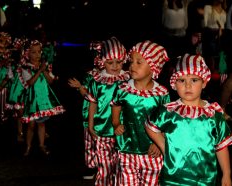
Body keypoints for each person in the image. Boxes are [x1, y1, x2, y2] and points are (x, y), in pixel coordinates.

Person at [145, 54, 232, 186]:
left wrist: (226, 174)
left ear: (204, 82)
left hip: (204, 179)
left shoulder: (213, 115)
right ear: (174, 84)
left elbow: (221, 147)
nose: (188, 86)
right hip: (173, 179)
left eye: (194, 80)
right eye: (181, 81)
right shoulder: (169, 111)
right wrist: (164, 146)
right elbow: (150, 126)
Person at [111, 40, 170, 185]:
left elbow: (166, 120)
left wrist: (159, 141)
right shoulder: (123, 89)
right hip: (127, 148)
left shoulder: (161, 94)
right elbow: (116, 105)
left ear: (153, 67)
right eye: (131, 61)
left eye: (139, 62)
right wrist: (116, 122)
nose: (132, 66)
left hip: (151, 151)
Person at [86, 37, 130, 185]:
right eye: (110, 62)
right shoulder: (97, 81)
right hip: (102, 130)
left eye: (119, 62)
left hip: (122, 131)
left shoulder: (127, 79)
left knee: (120, 168)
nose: (115, 66)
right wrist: (90, 125)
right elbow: (92, 103)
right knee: (104, 167)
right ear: (102, 61)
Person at [19, 40, 65, 156]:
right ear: (27, 54)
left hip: (43, 101)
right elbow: (30, 82)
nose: (37, 55)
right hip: (32, 102)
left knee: (42, 124)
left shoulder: (45, 67)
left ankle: (41, 145)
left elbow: (50, 81)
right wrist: (39, 70)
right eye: (34, 52)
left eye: (39, 52)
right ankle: (28, 146)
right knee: (31, 125)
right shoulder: (26, 68)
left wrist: (44, 70)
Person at [67, 42, 102, 179]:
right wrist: (80, 87)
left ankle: (105, 166)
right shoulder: (90, 75)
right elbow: (89, 95)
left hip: (108, 115)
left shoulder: (117, 76)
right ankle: (91, 168)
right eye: (96, 55)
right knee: (90, 142)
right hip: (91, 113)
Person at [202, 0, 227, 73]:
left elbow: (225, 24)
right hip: (211, 34)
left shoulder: (224, 10)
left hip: (222, 34)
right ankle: (211, 77)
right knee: (211, 59)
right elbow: (205, 24)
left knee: (220, 58)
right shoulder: (208, 7)